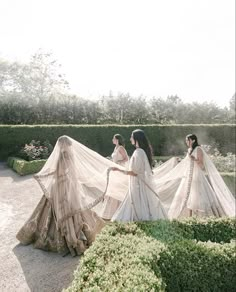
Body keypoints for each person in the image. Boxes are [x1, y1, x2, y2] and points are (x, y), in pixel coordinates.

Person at [16, 135, 107, 256]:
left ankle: (52, 236)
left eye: (60, 144)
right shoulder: (69, 155)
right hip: (66, 184)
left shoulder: (63, 156)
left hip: (60, 185)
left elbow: (58, 172)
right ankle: (81, 233)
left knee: (54, 210)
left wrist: (44, 175)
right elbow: (71, 173)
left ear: (62, 145)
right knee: (72, 210)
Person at [156, 134, 235, 219]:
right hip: (189, 177)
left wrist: (194, 159)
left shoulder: (198, 149)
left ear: (193, 140)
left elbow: (201, 165)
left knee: (197, 197)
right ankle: (188, 217)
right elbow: (187, 162)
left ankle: (201, 217)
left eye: (188, 140)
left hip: (197, 176)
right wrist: (179, 160)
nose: (186, 142)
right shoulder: (190, 149)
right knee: (185, 196)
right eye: (186, 140)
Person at [110, 129, 167, 222]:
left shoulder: (139, 152)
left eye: (131, 137)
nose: (130, 139)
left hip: (138, 185)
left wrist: (119, 169)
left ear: (136, 138)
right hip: (137, 184)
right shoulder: (139, 151)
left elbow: (135, 172)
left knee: (138, 205)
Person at [100, 134, 129, 220]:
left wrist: (118, 163)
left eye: (113, 138)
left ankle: (120, 210)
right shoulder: (115, 148)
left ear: (117, 140)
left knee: (118, 189)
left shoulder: (121, 148)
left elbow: (126, 159)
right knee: (112, 189)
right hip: (114, 170)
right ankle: (111, 211)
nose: (112, 139)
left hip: (119, 170)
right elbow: (115, 158)